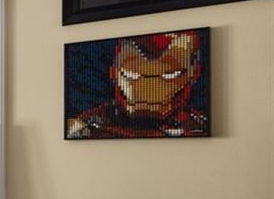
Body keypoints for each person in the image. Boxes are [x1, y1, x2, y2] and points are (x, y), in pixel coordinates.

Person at [66, 31, 207, 139]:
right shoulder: (85, 127)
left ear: (194, 73)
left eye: (169, 75)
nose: (147, 90)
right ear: (113, 72)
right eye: (131, 76)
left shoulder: (199, 127)